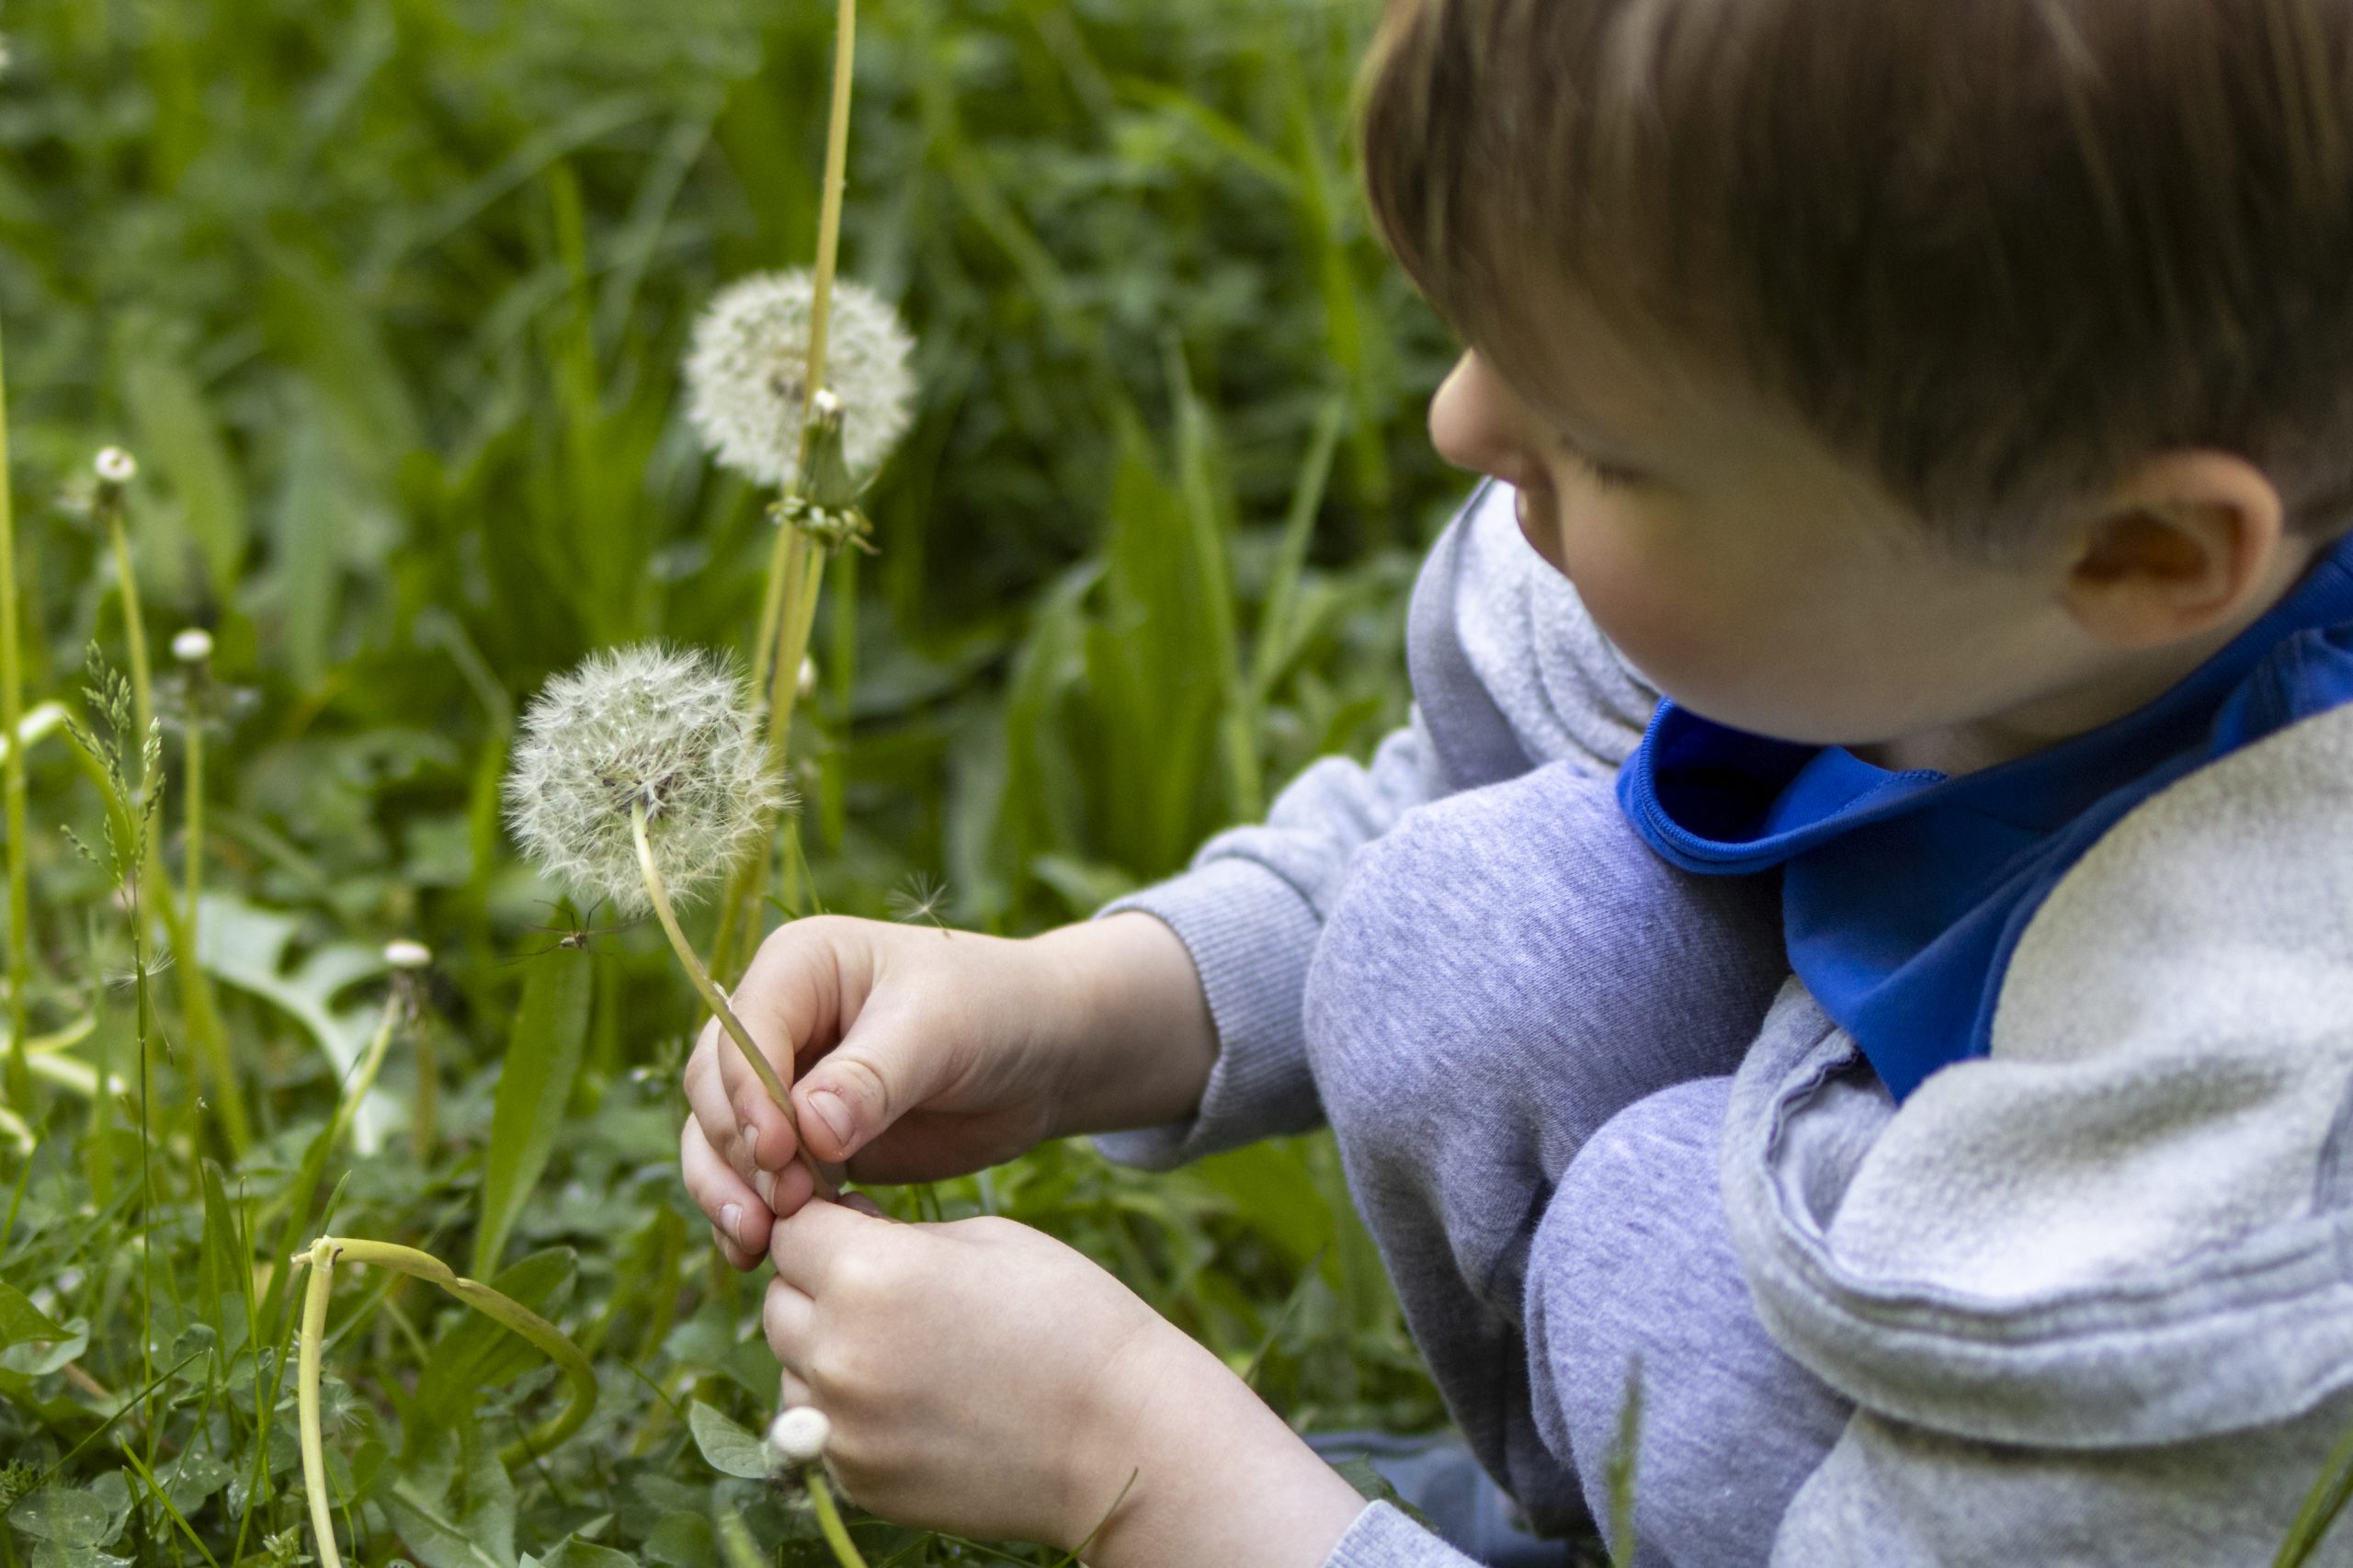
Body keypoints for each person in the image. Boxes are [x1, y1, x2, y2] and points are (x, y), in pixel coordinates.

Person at [677, 1, 2353, 1562]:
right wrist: (1069, 1012)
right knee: (1473, 925)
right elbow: (1462, 789)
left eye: (1603, 441)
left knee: (1663, 1265)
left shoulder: (2248, 1193)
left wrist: (1132, 1465)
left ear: (2142, 551)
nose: (1458, 422)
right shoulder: (1949, 583)